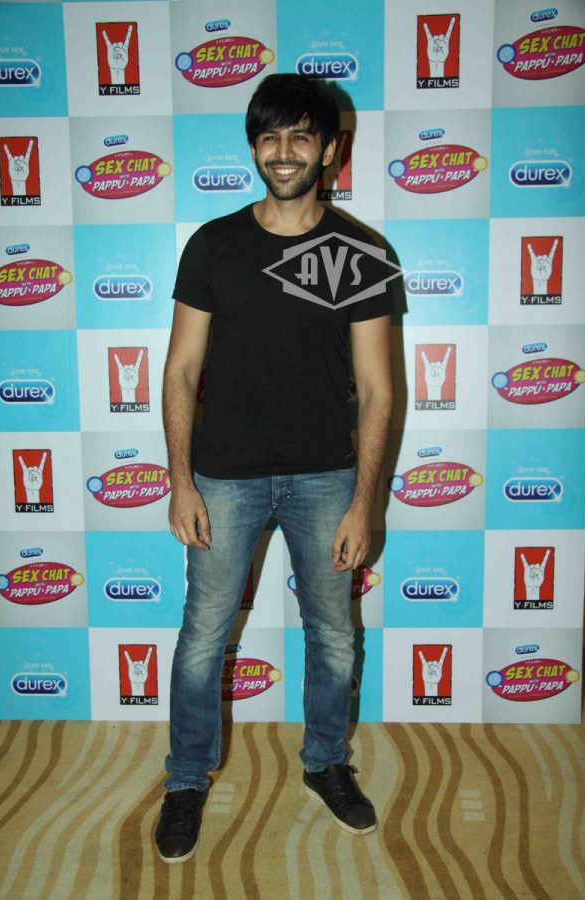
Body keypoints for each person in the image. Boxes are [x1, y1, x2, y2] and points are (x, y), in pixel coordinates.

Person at [156, 73, 394, 863]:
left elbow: (378, 390)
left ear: (329, 150)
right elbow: (181, 370)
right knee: (202, 636)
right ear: (254, 148)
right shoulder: (213, 245)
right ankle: (186, 779)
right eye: (269, 136)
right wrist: (180, 481)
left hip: (327, 478)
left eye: (300, 135)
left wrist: (364, 503)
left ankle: (325, 763)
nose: (283, 151)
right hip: (223, 478)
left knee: (333, 636)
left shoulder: (361, 253)